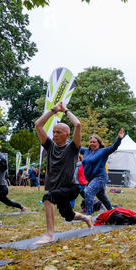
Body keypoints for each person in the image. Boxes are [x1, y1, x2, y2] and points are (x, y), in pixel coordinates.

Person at [34, 101, 93, 245]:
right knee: (68, 215)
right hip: (55, 188)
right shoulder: (50, 146)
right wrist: (54, 110)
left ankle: (49, 235)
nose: (54, 135)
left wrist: (65, 109)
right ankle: (87, 218)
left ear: (67, 135)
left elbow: (77, 125)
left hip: (70, 188)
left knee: (48, 197)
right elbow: (38, 125)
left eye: (58, 132)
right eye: (53, 132)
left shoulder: (73, 148)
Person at [80, 128, 125, 216]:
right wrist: (65, 139)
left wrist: (119, 138)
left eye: (94, 142)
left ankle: (88, 216)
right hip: (90, 179)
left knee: (88, 193)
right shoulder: (86, 151)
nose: (92, 143)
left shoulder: (103, 151)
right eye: (91, 142)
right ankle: (112, 213)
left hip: (100, 178)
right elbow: (74, 146)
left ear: (99, 143)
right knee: (102, 197)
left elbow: (114, 147)